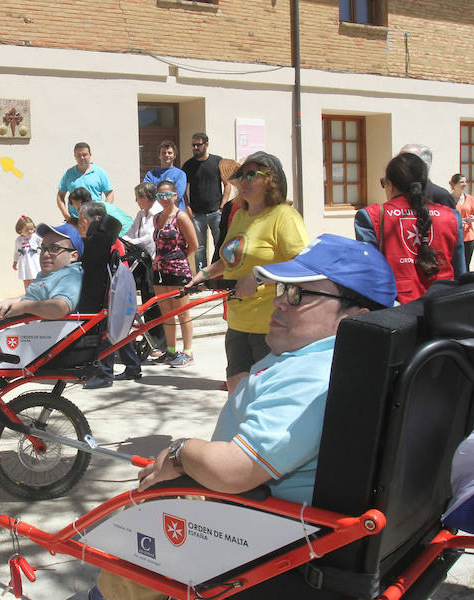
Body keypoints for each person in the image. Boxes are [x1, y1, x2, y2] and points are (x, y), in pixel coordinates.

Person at [89, 234, 397, 600]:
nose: (279, 301)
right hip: (264, 516)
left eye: (298, 294)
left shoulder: (312, 376)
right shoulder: (327, 359)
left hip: (250, 526)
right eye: (283, 288)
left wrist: (181, 452)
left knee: (126, 549)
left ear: (354, 318)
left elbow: (233, 471)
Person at [186, 152, 309, 394]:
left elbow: (303, 263)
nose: (244, 180)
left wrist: (259, 276)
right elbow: (231, 258)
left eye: (252, 174)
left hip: (272, 324)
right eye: (241, 175)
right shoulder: (240, 216)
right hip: (238, 322)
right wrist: (206, 274)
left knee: (266, 397)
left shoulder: (284, 216)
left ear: (271, 180)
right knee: (237, 394)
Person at [355, 153, 465, 303]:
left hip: (396, 308)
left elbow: (369, 272)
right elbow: (460, 271)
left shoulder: (370, 216)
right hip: (443, 305)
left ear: (390, 184)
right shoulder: (451, 216)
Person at [77, 202, 142, 389]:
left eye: (83, 220)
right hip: (114, 290)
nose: (81, 224)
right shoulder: (106, 237)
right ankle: (132, 366)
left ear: (96, 220)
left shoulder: (104, 239)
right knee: (118, 331)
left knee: (107, 332)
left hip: (111, 292)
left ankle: (105, 374)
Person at [0, 223, 84, 322]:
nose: (45, 254)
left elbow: (59, 308)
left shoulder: (70, 274)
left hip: (49, 334)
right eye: (43, 248)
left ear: (73, 256)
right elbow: (34, 298)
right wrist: (12, 301)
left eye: (55, 249)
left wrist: (25, 306)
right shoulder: (48, 274)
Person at [152, 180, 197, 368]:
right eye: (160, 195)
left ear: (175, 195)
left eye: (167, 195)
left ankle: (187, 351)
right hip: (159, 270)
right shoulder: (156, 217)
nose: (163, 199)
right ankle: (170, 350)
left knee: (182, 312)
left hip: (178, 270)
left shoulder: (181, 217)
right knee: (166, 313)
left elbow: (194, 245)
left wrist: (178, 259)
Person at [123, 181, 166, 356]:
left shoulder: (158, 213)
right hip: (141, 260)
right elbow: (132, 232)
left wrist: (133, 242)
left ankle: (160, 342)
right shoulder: (141, 214)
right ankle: (150, 337)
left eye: (137, 198)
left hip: (154, 261)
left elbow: (150, 238)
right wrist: (124, 240)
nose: (136, 201)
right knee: (146, 299)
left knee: (153, 300)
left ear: (145, 197)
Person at [182, 133, 232, 271]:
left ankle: (221, 276)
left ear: (207, 145)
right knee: (199, 248)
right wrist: (187, 207)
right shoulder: (188, 165)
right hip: (197, 214)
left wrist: (222, 207)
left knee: (220, 246)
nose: (196, 147)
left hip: (216, 212)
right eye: (193, 145)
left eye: (199, 145)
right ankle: (201, 280)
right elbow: (183, 189)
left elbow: (227, 185)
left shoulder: (218, 162)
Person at [56, 142, 114, 221]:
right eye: (79, 155)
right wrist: (66, 215)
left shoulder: (100, 172)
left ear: (90, 154)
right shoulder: (68, 174)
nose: (82, 158)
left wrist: (103, 212)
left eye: (85, 154)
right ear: (75, 156)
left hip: (94, 219)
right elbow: (60, 195)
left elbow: (110, 193)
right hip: (74, 220)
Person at [399, 143, 456, 209]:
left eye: (407, 160)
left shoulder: (441, 196)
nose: (400, 165)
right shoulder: (398, 192)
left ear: (424, 166)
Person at [67, 186, 134, 236]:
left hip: (124, 235)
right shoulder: (101, 204)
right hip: (133, 229)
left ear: (79, 202)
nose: (74, 206)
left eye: (73, 204)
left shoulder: (89, 211)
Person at [144, 140, 187, 211]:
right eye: (164, 153)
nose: (166, 155)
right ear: (159, 155)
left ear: (174, 156)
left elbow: (177, 195)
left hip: (175, 215)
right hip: (155, 214)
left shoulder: (180, 174)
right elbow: (146, 193)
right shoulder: (151, 174)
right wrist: (168, 193)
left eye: (169, 153)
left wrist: (156, 191)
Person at [450, 173, 474, 268]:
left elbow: (472, 214)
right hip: (454, 236)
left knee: (466, 264)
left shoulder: (469, 198)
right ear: (454, 184)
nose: (464, 184)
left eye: (465, 182)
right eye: (461, 182)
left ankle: (466, 282)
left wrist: (472, 218)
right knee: (454, 264)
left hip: (468, 236)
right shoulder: (448, 199)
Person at [13, 215, 41, 291]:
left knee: (36, 279)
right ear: (20, 231)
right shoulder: (18, 240)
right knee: (26, 280)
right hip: (25, 263)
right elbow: (16, 252)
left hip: (34, 262)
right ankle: (28, 295)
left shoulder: (35, 237)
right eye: (27, 230)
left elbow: (43, 243)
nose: (30, 231)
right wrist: (15, 262)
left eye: (32, 229)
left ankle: (38, 296)